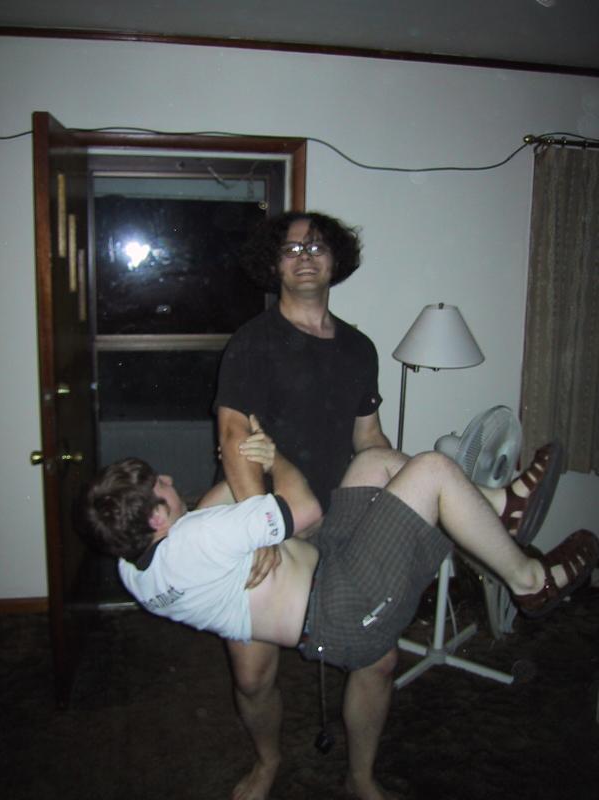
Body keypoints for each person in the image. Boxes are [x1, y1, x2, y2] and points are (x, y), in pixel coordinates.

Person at [211, 211, 564, 799]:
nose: (304, 256)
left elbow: (369, 441)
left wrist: (404, 498)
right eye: (291, 248)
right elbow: (233, 438)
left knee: (377, 660)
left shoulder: (359, 348)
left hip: (342, 517)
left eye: (316, 246)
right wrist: (259, 528)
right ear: (273, 264)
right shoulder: (254, 342)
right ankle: (268, 760)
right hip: (273, 516)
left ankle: (361, 777)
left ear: (336, 261)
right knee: (252, 675)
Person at [78, 425, 598, 800]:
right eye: (160, 485)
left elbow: (214, 512)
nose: (169, 478)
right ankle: (531, 581)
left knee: (374, 462)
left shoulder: (135, 572)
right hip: (341, 607)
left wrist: (242, 476)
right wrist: (273, 458)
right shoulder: (201, 539)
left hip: (326, 566)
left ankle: (499, 508)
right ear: (157, 518)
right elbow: (305, 510)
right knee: (432, 470)